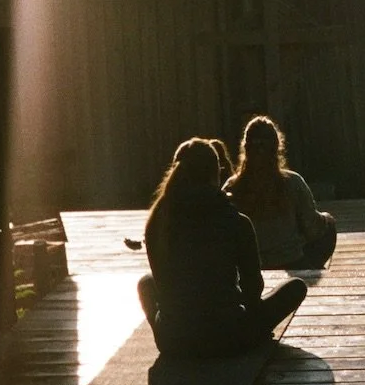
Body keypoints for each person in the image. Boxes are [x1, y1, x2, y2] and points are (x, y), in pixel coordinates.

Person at [137, 138, 307, 359]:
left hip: (174, 341)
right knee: (295, 287)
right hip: (227, 337)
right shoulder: (235, 221)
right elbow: (253, 291)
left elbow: (162, 282)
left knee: (145, 283)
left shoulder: (157, 221)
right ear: (215, 174)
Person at [224, 115, 337, 271]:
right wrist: (325, 220)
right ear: (277, 147)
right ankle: (309, 270)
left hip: (248, 266)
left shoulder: (231, 187)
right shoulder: (293, 182)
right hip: (291, 261)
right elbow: (312, 229)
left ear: (245, 148)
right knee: (329, 226)